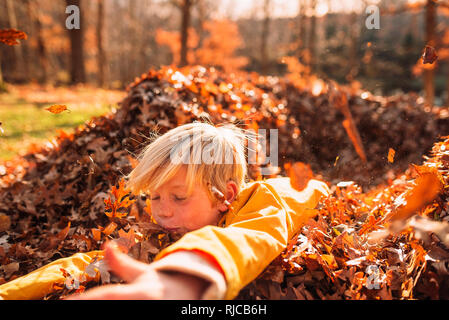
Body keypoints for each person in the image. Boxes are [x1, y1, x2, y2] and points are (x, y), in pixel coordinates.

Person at [0, 121, 330, 300]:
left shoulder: (268, 198)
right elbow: (85, 263)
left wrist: (182, 279)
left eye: (179, 197)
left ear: (226, 195)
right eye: (155, 197)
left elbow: (248, 237)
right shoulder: (174, 226)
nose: (163, 212)